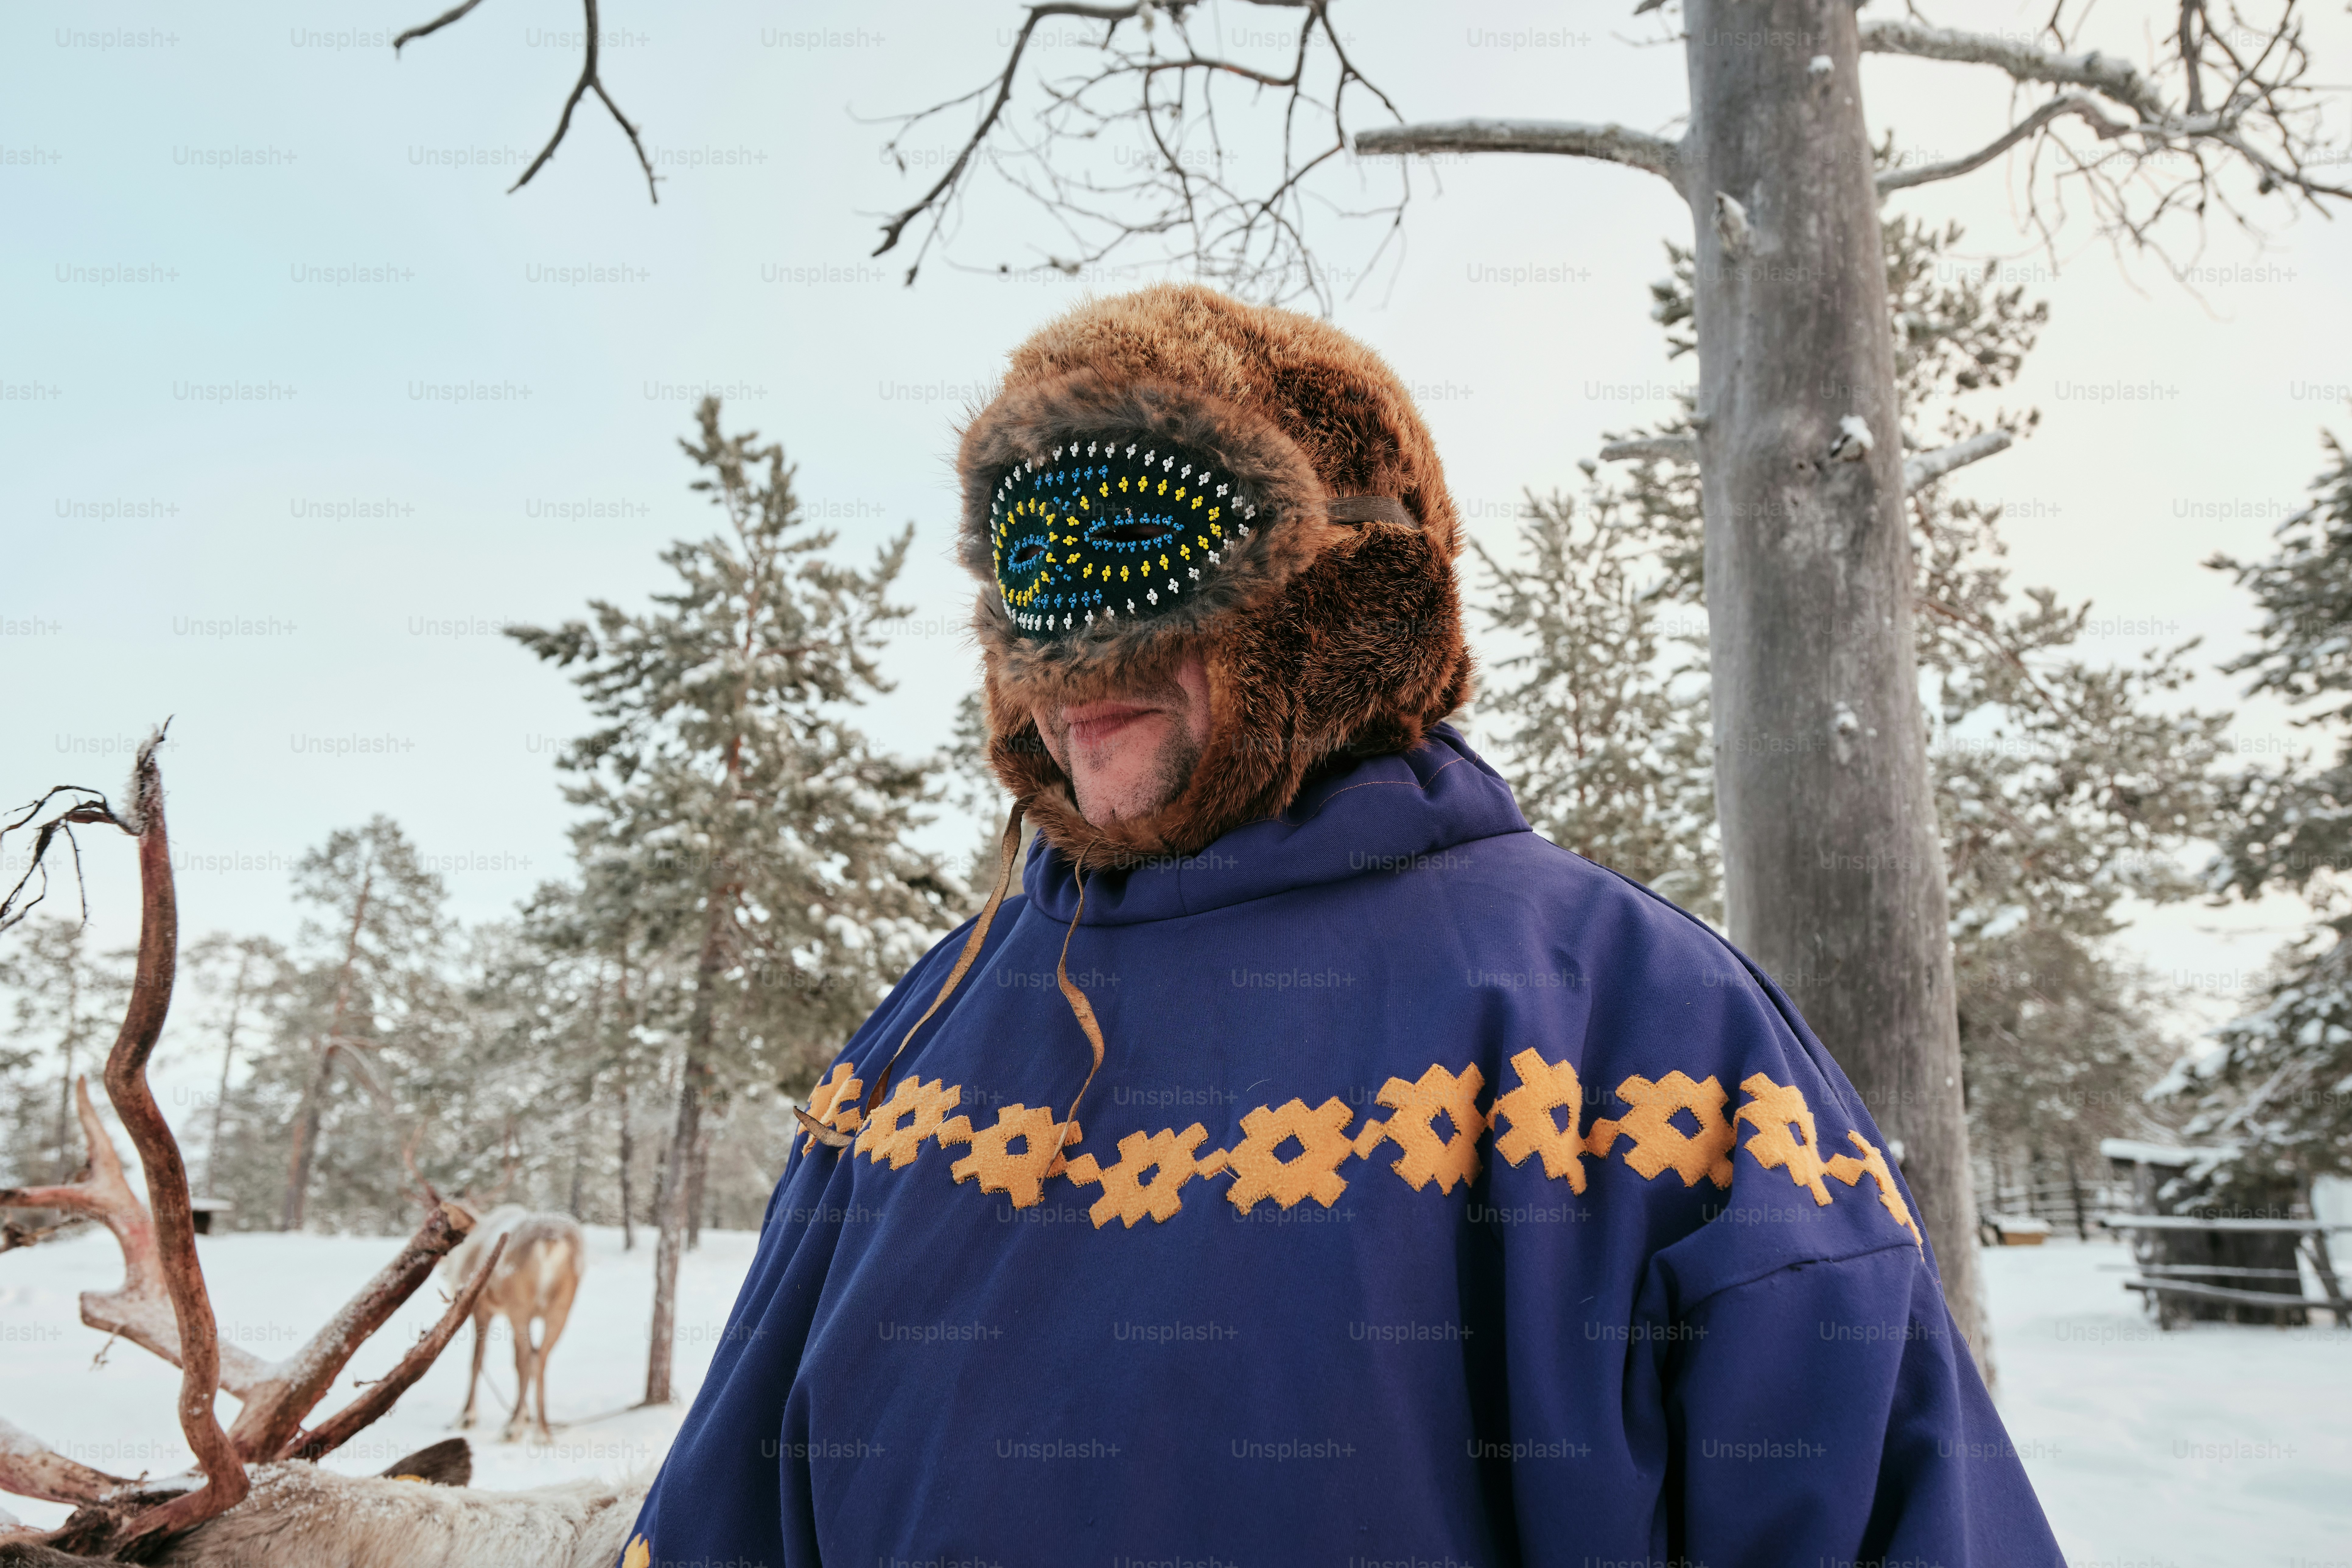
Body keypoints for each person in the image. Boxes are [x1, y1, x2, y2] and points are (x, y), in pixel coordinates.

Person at [619, 282, 2063, 1568]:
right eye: (1027, 569)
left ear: (1345, 579)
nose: (1066, 653)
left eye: (1125, 545)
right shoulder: (923, 1046)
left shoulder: (1637, 1038)